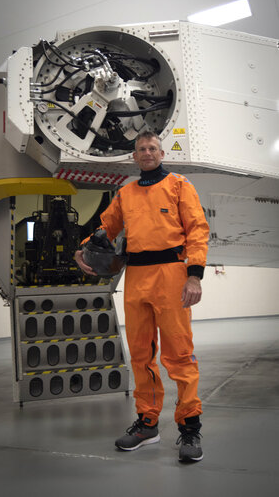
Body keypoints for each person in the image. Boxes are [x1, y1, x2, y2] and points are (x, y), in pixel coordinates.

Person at [75, 131, 209, 463]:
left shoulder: (180, 184)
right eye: (141, 149)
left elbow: (197, 229)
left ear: (162, 153)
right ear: (134, 157)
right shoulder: (126, 193)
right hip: (136, 277)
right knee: (140, 353)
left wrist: (195, 274)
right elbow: (108, 228)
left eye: (152, 148)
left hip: (171, 274)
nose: (146, 153)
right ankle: (148, 423)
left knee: (179, 354)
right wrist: (84, 248)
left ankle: (189, 426)